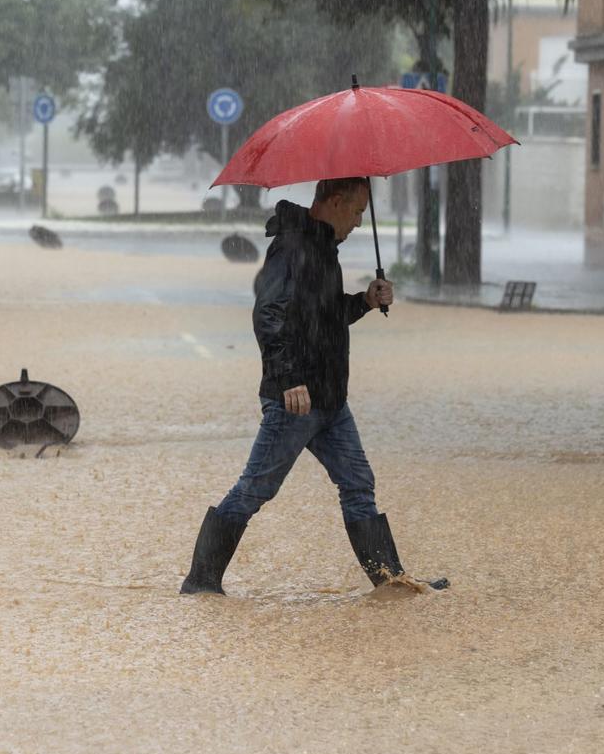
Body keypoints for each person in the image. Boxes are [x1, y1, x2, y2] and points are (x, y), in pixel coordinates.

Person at [180, 177, 448, 595]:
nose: (360, 222)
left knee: (358, 484)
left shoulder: (323, 248)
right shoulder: (291, 248)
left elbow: (322, 317)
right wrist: (289, 379)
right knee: (254, 489)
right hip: (296, 401)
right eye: (357, 211)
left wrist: (363, 300)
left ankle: (391, 583)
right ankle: (200, 583)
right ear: (336, 202)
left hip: (330, 400)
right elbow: (268, 316)